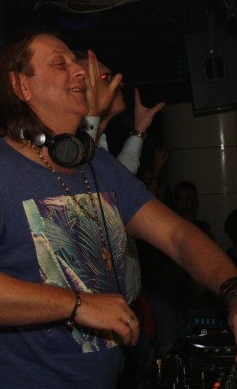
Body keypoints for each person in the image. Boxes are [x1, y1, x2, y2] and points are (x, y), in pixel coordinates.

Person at [0, 27, 237, 389]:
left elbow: (178, 235)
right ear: (22, 86)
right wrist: (77, 304)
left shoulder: (99, 167)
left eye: (75, 62)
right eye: (60, 64)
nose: (79, 70)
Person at [78, 50, 165, 386]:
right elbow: (84, 185)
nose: (117, 81)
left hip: (130, 303)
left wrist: (139, 131)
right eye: (104, 78)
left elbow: (117, 184)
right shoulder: (71, 151)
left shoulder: (98, 145)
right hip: (100, 316)